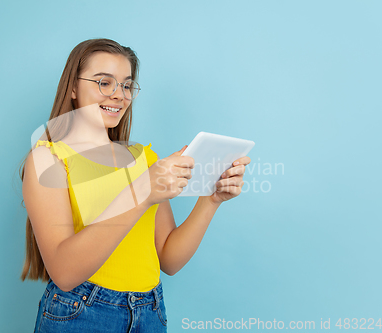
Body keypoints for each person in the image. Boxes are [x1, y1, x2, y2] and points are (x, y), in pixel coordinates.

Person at [19, 38, 251, 333]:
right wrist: (142, 192)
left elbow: (168, 258)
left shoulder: (144, 159)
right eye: (105, 83)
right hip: (81, 313)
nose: (119, 95)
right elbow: (64, 273)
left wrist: (211, 199)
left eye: (127, 85)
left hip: (150, 311)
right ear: (73, 88)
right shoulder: (47, 159)